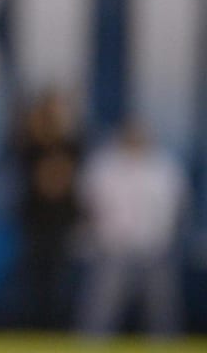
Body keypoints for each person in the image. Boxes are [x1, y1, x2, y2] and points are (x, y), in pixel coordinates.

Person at [75, 117, 190, 337]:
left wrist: (166, 236)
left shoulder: (165, 166)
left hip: (155, 249)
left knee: (163, 313)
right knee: (99, 312)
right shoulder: (103, 164)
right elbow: (87, 203)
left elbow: (179, 206)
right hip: (112, 248)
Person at [12, 86, 83, 329]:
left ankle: (57, 325)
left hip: (62, 221)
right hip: (36, 219)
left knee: (60, 277)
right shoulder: (32, 147)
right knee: (35, 276)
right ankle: (35, 325)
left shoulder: (72, 145)